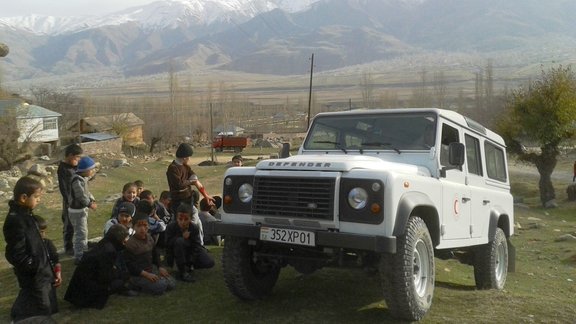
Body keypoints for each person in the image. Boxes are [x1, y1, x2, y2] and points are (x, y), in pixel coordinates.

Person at [3, 176, 58, 322]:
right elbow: (15, 253)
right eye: (36, 197)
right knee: (42, 309)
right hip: (33, 275)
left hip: (41, 272)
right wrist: (33, 266)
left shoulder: (27, 214)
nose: (39, 200)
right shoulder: (15, 220)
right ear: (23, 197)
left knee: (47, 304)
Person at [65, 224, 136, 309]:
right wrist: (119, 274)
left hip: (77, 290)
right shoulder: (109, 251)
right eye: (124, 240)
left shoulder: (105, 243)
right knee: (120, 280)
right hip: (85, 293)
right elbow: (105, 276)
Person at [125, 212, 176, 295]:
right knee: (161, 286)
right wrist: (147, 275)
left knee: (172, 284)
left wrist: (160, 267)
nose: (142, 229)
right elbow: (131, 266)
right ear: (133, 227)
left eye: (145, 225)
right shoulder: (130, 243)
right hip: (139, 274)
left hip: (151, 269)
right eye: (139, 226)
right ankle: (135, 285)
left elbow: (155, 254)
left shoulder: (149, 237)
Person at [165, 203, 215, 282]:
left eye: (186, 219)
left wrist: (191, 260)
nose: (183, 222)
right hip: (176, 252)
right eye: (180, 219)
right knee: (179, 241)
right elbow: (167, 244)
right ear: (176, 218)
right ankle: (182, 271)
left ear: (190, 218)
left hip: (190, 251)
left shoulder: (194, 227)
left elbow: (197, 245)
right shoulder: (171, 227)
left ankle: (189, 266)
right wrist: (181, 236)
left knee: (209, 262)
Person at [166, 143, 215, 214]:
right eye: (189, 157)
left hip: (188, 200)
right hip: (178, 202)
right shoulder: (173, 168)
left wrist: (206, 195)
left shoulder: (186, 167)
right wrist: (191, 181)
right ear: (184, 158)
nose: (189, 159)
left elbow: (195, 180)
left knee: (195, 219)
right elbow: (179, 184)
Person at [68, 156, 98, 264]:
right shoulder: (77, 180)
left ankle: (83, 251)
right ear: (85, 170)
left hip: (81, 210)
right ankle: (80, 257)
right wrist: (90, 204)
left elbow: (86, 193)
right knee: (80, 234)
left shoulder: (83, 179)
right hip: (77, 212)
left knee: (83, 232)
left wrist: (92, 199)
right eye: (91, 169)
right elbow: (80, 196)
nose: (93, 171)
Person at [57, 143, 83, 255]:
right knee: (69, 224)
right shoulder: (63, 169)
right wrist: (68, 201)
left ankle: (81, 243)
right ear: (70, 155)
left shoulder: (76, 168)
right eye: (77, 157)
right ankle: (68, 247)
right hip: (69, 201)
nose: (78, 160)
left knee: (80, 223)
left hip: (79, 200)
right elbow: (64, 188)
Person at [34, 215, 62, 316]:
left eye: (44, 231)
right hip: (37, 280)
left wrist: (58, 274)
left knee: (52, 309)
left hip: (49, 278)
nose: (43, 234)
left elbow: (56, 260)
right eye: (40, 232)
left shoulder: (48, 243)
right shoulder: (30, 247)